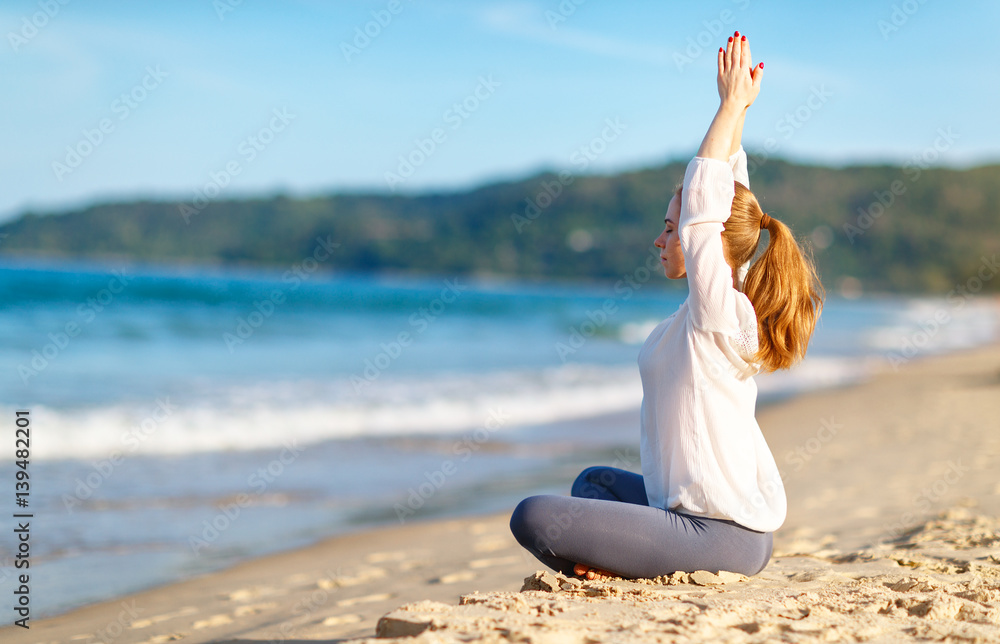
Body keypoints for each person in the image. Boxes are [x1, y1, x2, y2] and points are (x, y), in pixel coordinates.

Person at [509, 31, 824, 580]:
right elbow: (728, 201)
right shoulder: (728, 299)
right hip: (694, 518)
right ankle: (620, 558)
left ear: (704, 242)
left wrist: (726, 107)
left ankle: (618, 566)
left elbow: (710, 209)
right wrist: (742, 113)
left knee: (532, 516)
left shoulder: (716, 313)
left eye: (671, 229)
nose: (661, 240)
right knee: (594, 484)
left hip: (718, 537)